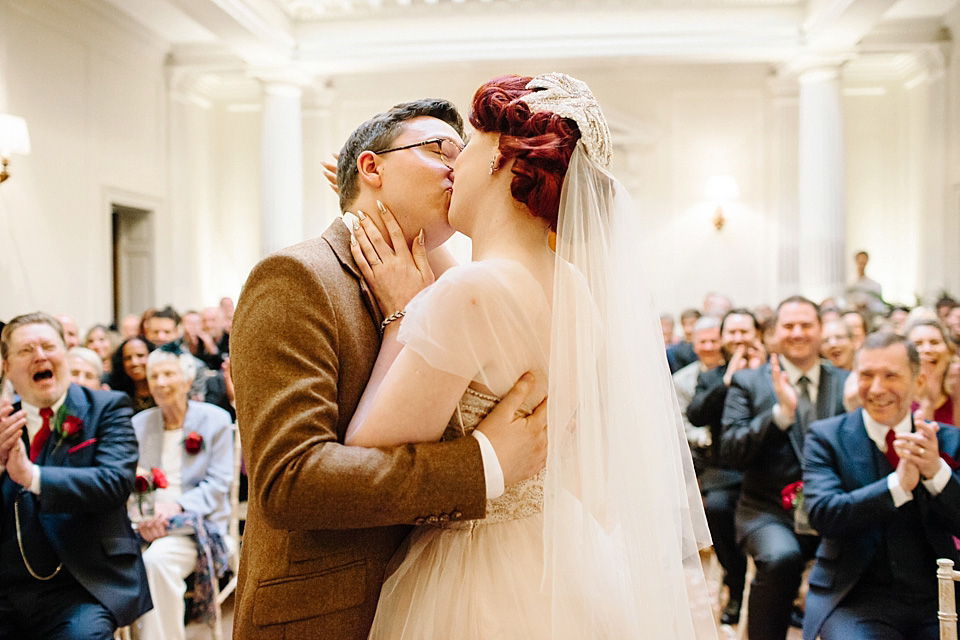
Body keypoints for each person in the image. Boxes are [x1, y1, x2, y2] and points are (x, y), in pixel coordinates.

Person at [344, 74, 714, 639]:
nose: (451, 168)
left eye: (462, 147)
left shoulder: (470, 293)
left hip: (473, 567)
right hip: (556, 548)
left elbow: (362, 459)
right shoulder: (572, 288)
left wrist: (401, 313)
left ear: (497, 157)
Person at [230, 98, 550, 640]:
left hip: (442, 597)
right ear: (372, 168)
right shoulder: (297, 278)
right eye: (438, 149)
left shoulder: (450, 285)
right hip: (328, 611)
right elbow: (289, 483)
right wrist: (483, 463)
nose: (457, 165)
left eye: (464, 152)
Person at [0, 312, 152, 638]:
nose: (40, 355)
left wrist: (31, 475)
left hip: (82, 584)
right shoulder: (3, 422)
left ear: (64, 355)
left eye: (48, 346)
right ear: (7, 366)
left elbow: (114, 483)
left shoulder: (106, 408)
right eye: (26, 350)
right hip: (6, 588)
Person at [803, 332, 960, 640]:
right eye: (866, 375)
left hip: (938, 594)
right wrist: (896, 486)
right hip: (854, 598)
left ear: (918, 382)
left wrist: (936, 472)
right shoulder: (826, 437)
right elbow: (822, 515)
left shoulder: (950, 440)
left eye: (891, 376)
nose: (876, 389)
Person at [720, 295, 849, 640]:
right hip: (768, 511)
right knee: (780, 559)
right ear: (774, 333)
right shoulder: (749, 383)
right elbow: (731, 451)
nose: (797, 332)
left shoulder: (846, 382)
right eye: (788, 325)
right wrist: (780, 416)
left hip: (834, 509)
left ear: (821, 330)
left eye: (806, 324)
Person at [131, 350, 233, 640]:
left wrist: (176, 506)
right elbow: (132, 484)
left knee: (157, 562)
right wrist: (144, 516)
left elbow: (218, 484)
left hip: (198, 525)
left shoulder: (215, 420)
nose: (161, 383)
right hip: (148, 524)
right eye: (154, 377)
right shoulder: (140, 424)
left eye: (168, 374)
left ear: (188, 381)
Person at [686, 308, 765, 625]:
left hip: (765, 469)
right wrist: (729, 381)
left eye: (744, 332)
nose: (738, 339)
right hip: (724, 471)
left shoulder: (773, 369)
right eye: (732, 333)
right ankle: (734, 585)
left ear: (756, 334)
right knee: (717, 509)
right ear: (722, 339)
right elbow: (696, 415)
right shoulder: (712, 376)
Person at [906, 319, 960, 425]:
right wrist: (927, 401)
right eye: (918, 343)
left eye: (934, 342)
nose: (927, 349)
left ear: (948, 351)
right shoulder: (898, 399)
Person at [107, 337, 157, 414]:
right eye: (128, 358)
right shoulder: (116, 393)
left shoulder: (164, 387)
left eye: (140, 356)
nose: (134, 362)